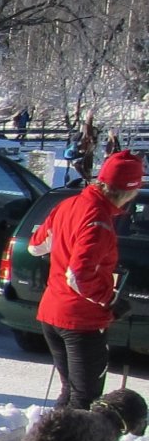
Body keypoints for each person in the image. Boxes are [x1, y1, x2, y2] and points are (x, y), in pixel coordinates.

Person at [27, 149, 144, 410]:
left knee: (71, 392)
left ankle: (50, 434)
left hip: (52, 312)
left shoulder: (68, 205)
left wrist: (64, 248)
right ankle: (64, 436)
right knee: (85, 400)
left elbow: (36, 246)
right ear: (129, 191)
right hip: (81, 320)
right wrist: (110, 300)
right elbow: (79, 275)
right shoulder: (98, 221)